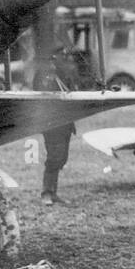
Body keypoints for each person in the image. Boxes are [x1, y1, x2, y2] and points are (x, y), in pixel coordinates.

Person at [34, 46, 81, 206]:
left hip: (65, 123)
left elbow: (73, 92)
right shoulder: (44, 75)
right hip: (52, 123)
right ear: (54, 57)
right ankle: (46, 193)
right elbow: (40, 93)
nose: (66, 58)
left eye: (66, 56)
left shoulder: (66, 74)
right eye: (62, 55)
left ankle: (53, 193)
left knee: (61, 158)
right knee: (54, 157)